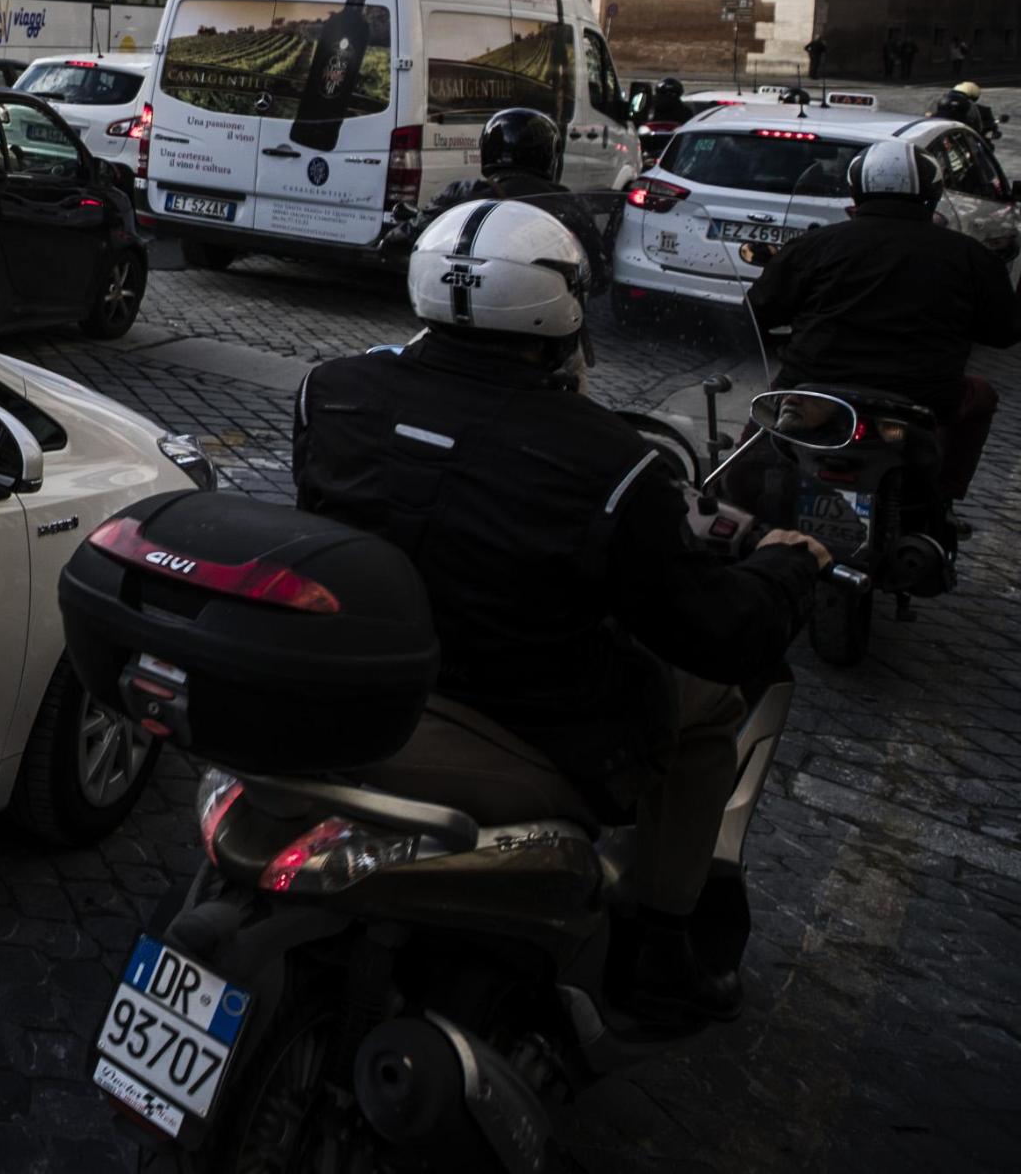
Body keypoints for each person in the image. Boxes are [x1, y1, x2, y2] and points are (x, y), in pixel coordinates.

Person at [296, 201, 829, 1026]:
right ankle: (662, 945)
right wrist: (785, 570)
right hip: (526, 711)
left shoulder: (329, 391)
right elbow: (712, 628)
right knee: (712, 705)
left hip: (372, 672)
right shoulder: (610, 460)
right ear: (562, 308)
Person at [749, 141, 1021, 514]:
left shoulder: (815, 245)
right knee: (982, 396)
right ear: (932, 194)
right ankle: (944, 495)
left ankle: (737, 493)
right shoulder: (972, 256)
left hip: (814, 388)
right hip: (923, 397)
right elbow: (1004, 333)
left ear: (856, 192)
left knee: (754, 444)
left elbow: (757, 310)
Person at [424, 108, 610, 288]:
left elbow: (413, 234)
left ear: (488, 149)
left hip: (460, 302)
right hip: (544, 308)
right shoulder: (568, 203)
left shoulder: (464, 193)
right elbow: (597, 274)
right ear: (550, 155)